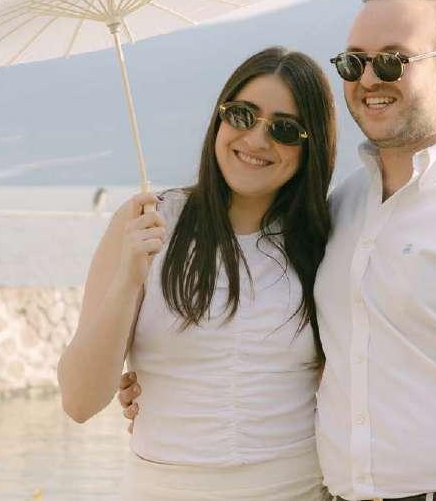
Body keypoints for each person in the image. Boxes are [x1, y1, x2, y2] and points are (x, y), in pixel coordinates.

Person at [120, 0, 436, 501]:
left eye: (392, 61)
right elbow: (319, 361)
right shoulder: (343, 208)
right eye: (354, 63)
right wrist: (167, 386)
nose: (369, 78)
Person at [58, 46, 337, 500]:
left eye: (284, 129)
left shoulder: (327, 238)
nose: (256, 140)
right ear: (219, 119)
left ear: (311, 147)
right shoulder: (147, 223)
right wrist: (128, 280)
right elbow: (80, 401)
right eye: (242, 115)